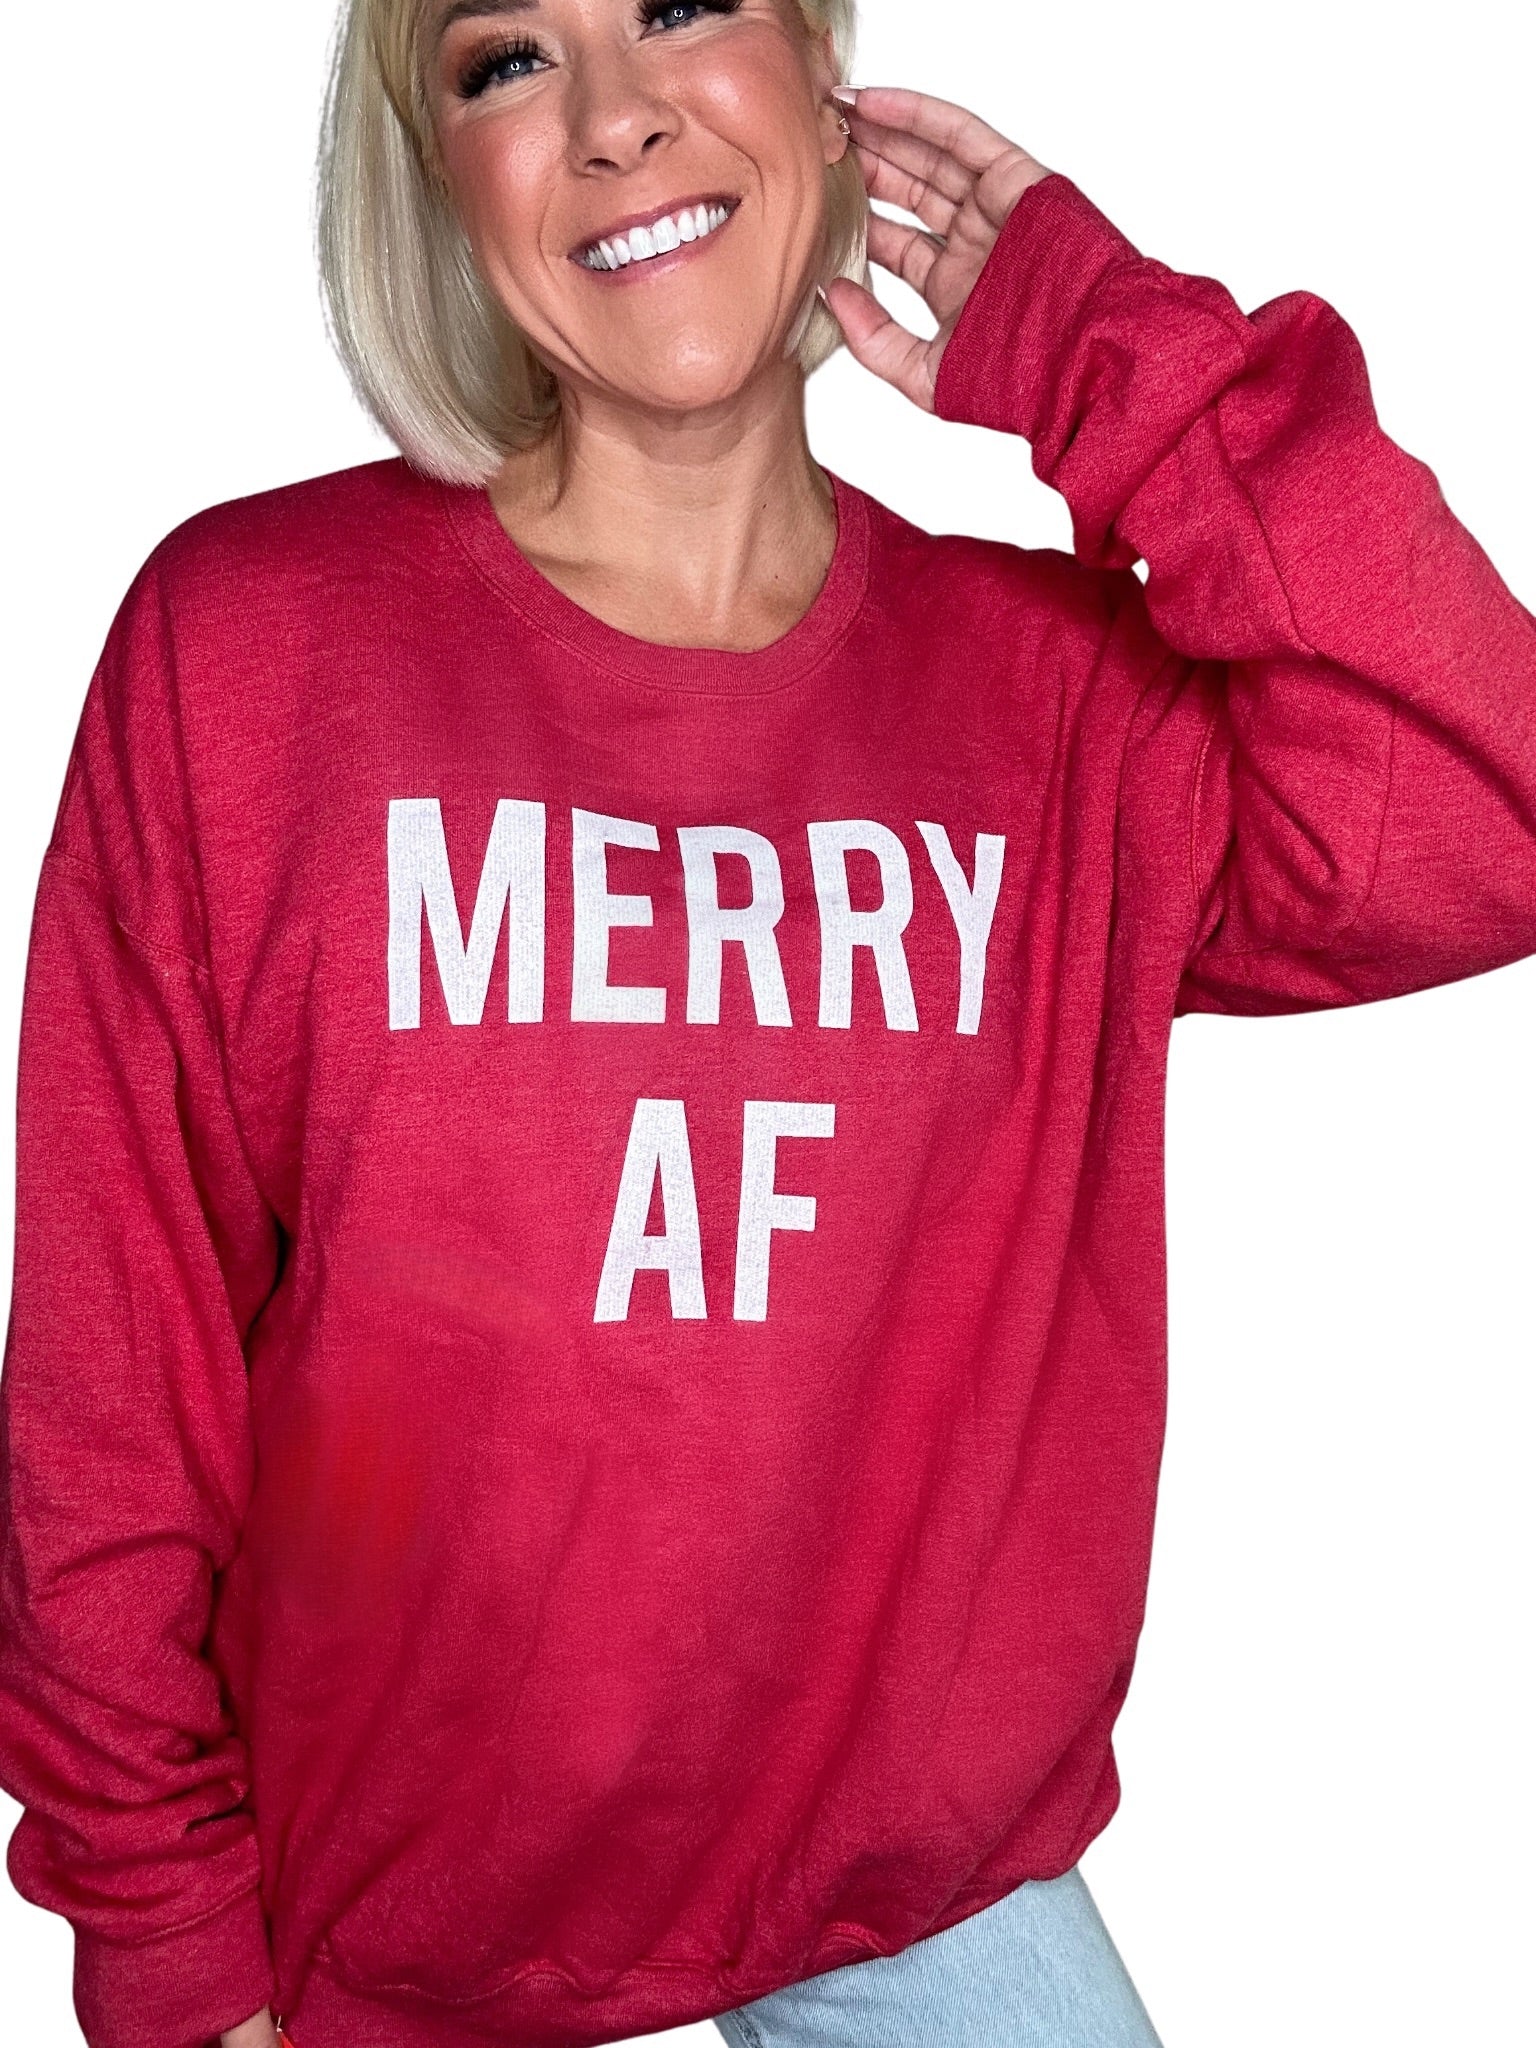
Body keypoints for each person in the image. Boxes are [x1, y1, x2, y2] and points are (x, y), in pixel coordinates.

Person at [1, 0, 1533, 2044]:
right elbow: (116, 1363)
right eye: (507, 62)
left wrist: (1106, 348)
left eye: (682, 7)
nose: (623, 116)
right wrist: (171, 1947)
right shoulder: (254, 650)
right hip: (387, 1927)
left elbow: (1481, 799)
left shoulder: (1056, 705)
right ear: (444, 182)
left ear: (820, 66)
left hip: (906, 1887)